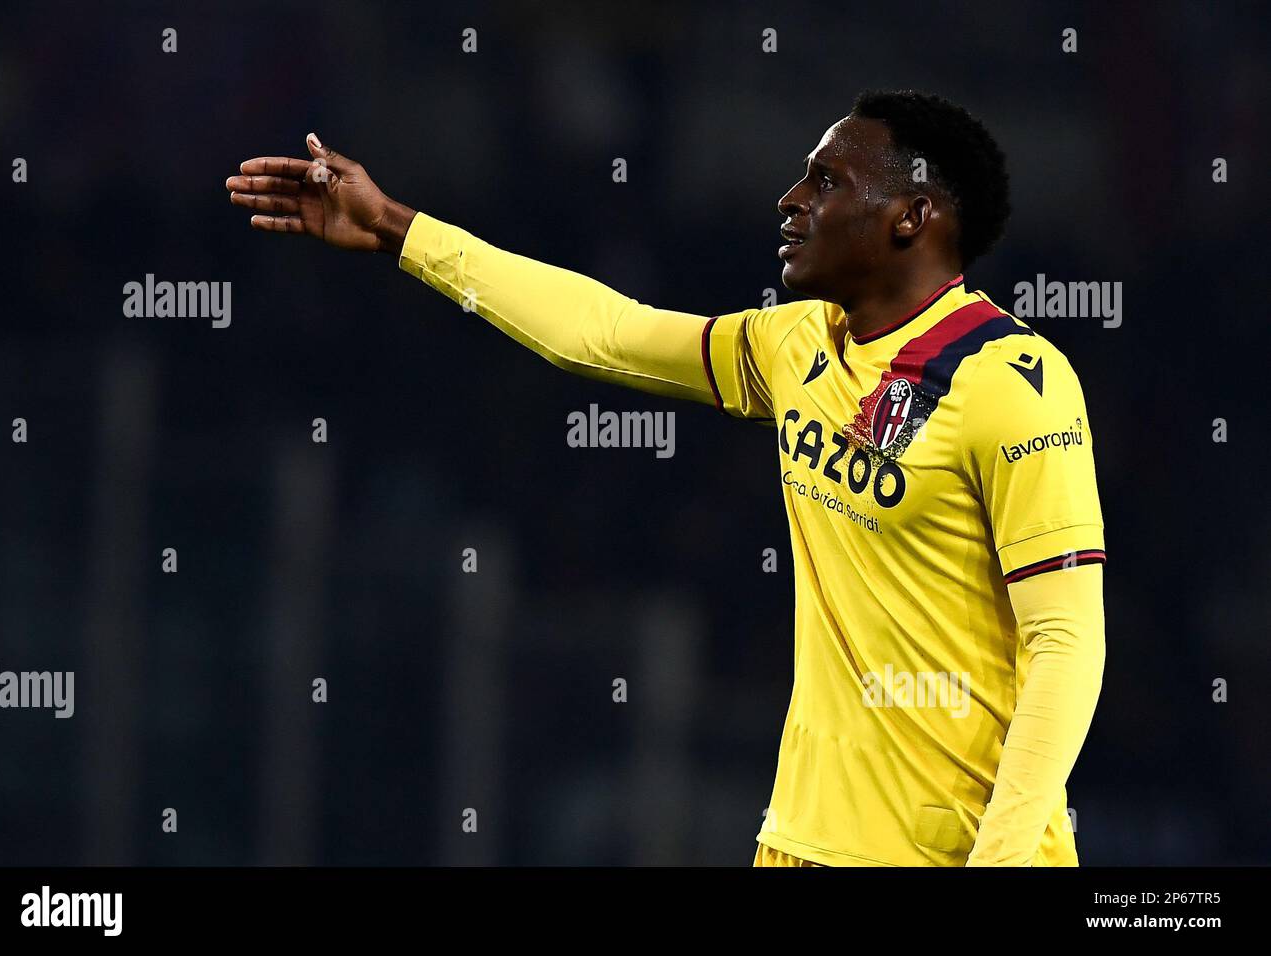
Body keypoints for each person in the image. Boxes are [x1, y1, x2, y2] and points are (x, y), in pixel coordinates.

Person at [225, 89, 1106, 867]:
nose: (790, 199)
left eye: (827, 181)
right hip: (801, 843)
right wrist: (395, 228)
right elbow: (605, 333)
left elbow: (1067, 644)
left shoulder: (1015, 384)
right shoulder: (795, 346)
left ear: (910, 217)